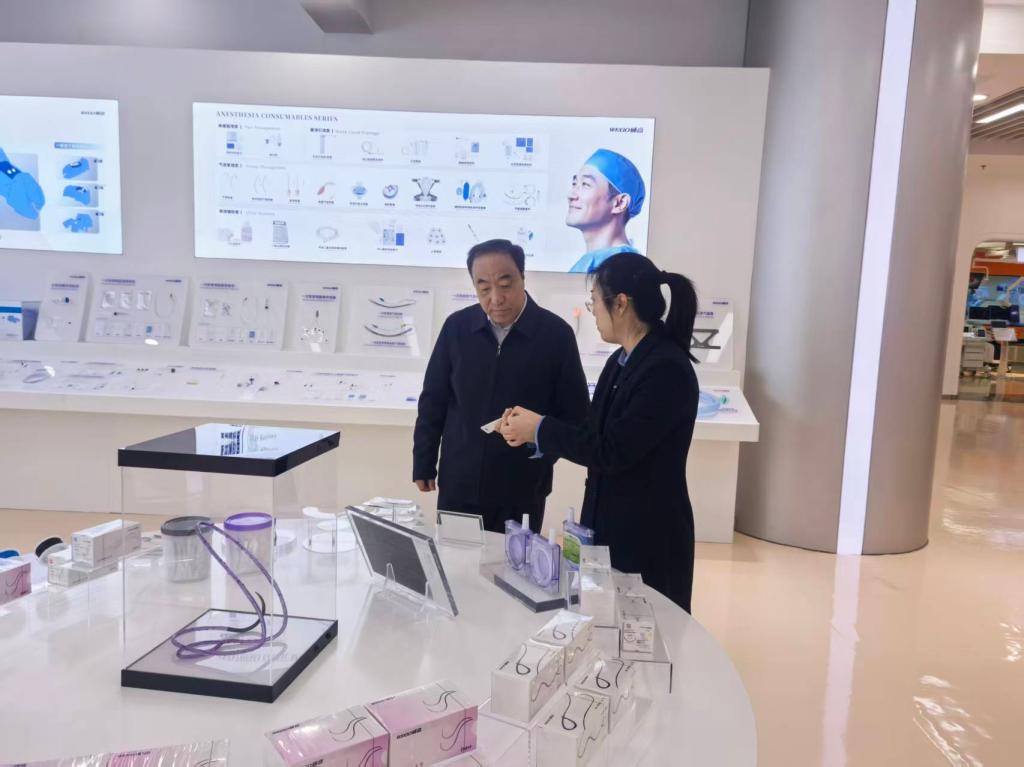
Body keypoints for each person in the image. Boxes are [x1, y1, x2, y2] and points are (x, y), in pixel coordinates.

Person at [499, 252, 699, 611]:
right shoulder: (621, 361)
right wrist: (531, 428)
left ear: (620, 303)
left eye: (594, 301)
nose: (592, 311)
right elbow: (591, 431)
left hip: (648, 535)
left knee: (645, 629)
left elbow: (613, 450)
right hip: (609, 525)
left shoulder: (665, 369)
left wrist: (540, 429)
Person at [413, 239, 590, 534]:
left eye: (505, 285)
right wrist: (424, 459)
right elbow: (434, 399)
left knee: (514, 562)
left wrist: (540, 455)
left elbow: (575, 413)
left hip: (522, 486)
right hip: (460, 481)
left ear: (523, 278)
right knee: (456, 558)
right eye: (484, 288)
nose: (496, 298)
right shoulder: (457, 328)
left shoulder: (555, 335)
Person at [565, 149, 647, 274]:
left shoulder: (624, 269)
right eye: (574, 183)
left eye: (585, 184)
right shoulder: (592, 262)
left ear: (620, 203)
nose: (571, 195)